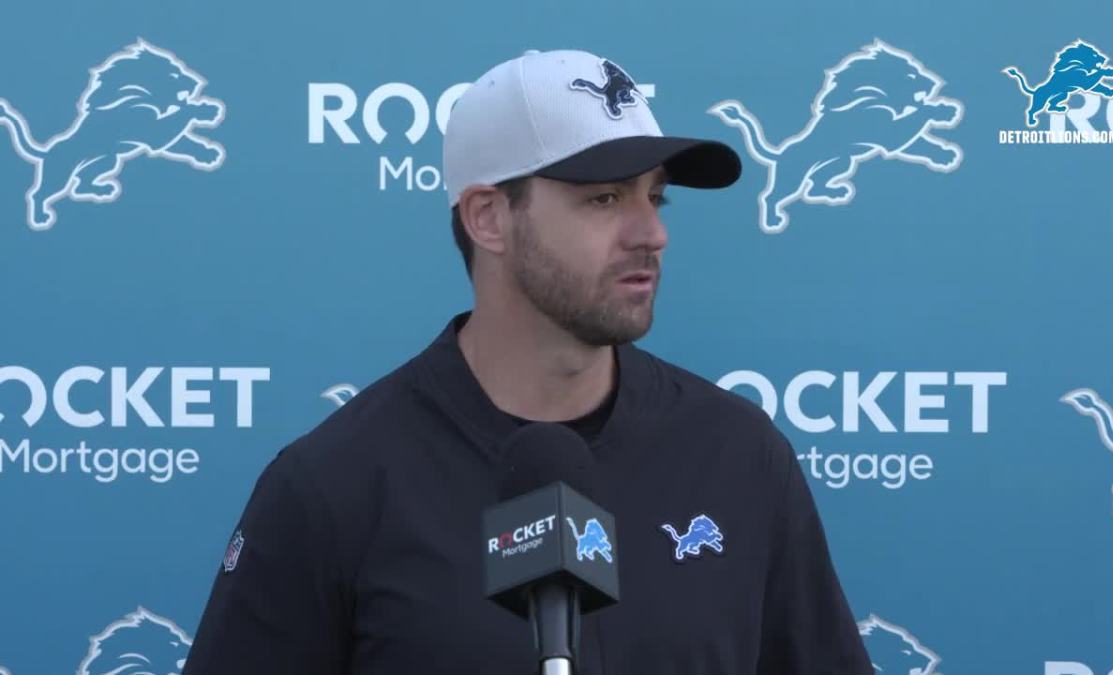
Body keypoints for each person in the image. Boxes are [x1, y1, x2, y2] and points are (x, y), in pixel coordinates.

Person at [182, 48, 872, 674]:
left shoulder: (740, 456)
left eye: (655, 196)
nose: (652, 232)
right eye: (605, 198)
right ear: (488, 218)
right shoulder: (332, 486)